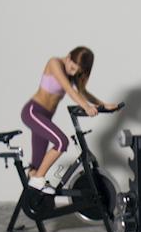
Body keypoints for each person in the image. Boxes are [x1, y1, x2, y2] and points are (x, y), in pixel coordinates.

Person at [22, 46, 118, 194]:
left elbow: (83, 92)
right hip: (33, 112)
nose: (73, 73)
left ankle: (33, 197)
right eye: (72, 68)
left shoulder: (70, 73)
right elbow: (69, 90)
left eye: (77, 72)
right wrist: (86, 107)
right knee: (61, 142)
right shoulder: (54, 63)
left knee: (36, 166)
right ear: (68, 57)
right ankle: (38, 179)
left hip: (45, 117)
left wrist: (103, 105)